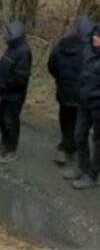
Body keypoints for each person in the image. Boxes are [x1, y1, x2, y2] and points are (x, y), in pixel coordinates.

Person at [48, 20, 94, 166]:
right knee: (78, 123)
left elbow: (51, 65)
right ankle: (68, 149)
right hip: (82, 93)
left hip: (63, 91)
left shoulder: (60, 45)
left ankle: (66, 146)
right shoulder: (90, 51)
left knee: (65, 118)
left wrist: (60, 79)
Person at [0, 21, 32, 164]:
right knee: (1, 117)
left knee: (11, 121)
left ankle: (11, 149)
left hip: (14, 94)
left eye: (7, 33)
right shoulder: (12, 47)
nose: (4, 36)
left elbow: (21, 77)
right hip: (6, 92)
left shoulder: (23, 51)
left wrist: (4, 85)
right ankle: (4, 143)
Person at [66, 26, 100, 190]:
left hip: (97, 106)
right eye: (94, 35)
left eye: (98, 37)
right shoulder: (88, 51)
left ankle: (93, 175)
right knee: (79, 135)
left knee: (98, 141)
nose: (95, 38)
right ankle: (83, 166)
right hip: (83, 103)